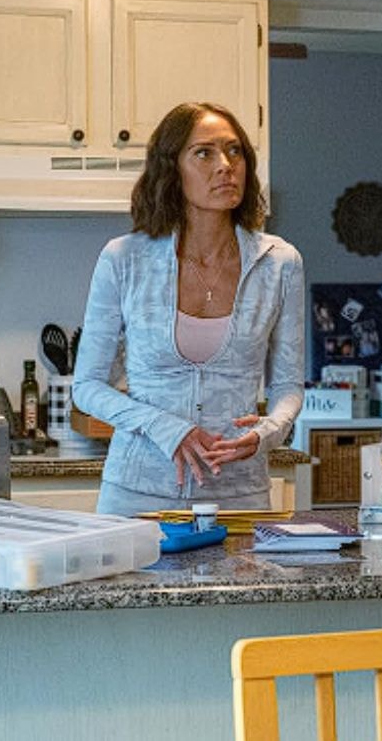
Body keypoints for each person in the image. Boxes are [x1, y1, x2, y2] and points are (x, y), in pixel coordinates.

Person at [75, 102, 304, 515]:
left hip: (239, 497)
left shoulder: (280, 263)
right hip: (136, 494)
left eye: (235, 152)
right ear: (171, 168)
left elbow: (288, 386)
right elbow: (87, 387)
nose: (225, 166)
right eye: (204, 153)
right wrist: (166, 428)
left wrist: (268, 432)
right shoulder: (123, 259)